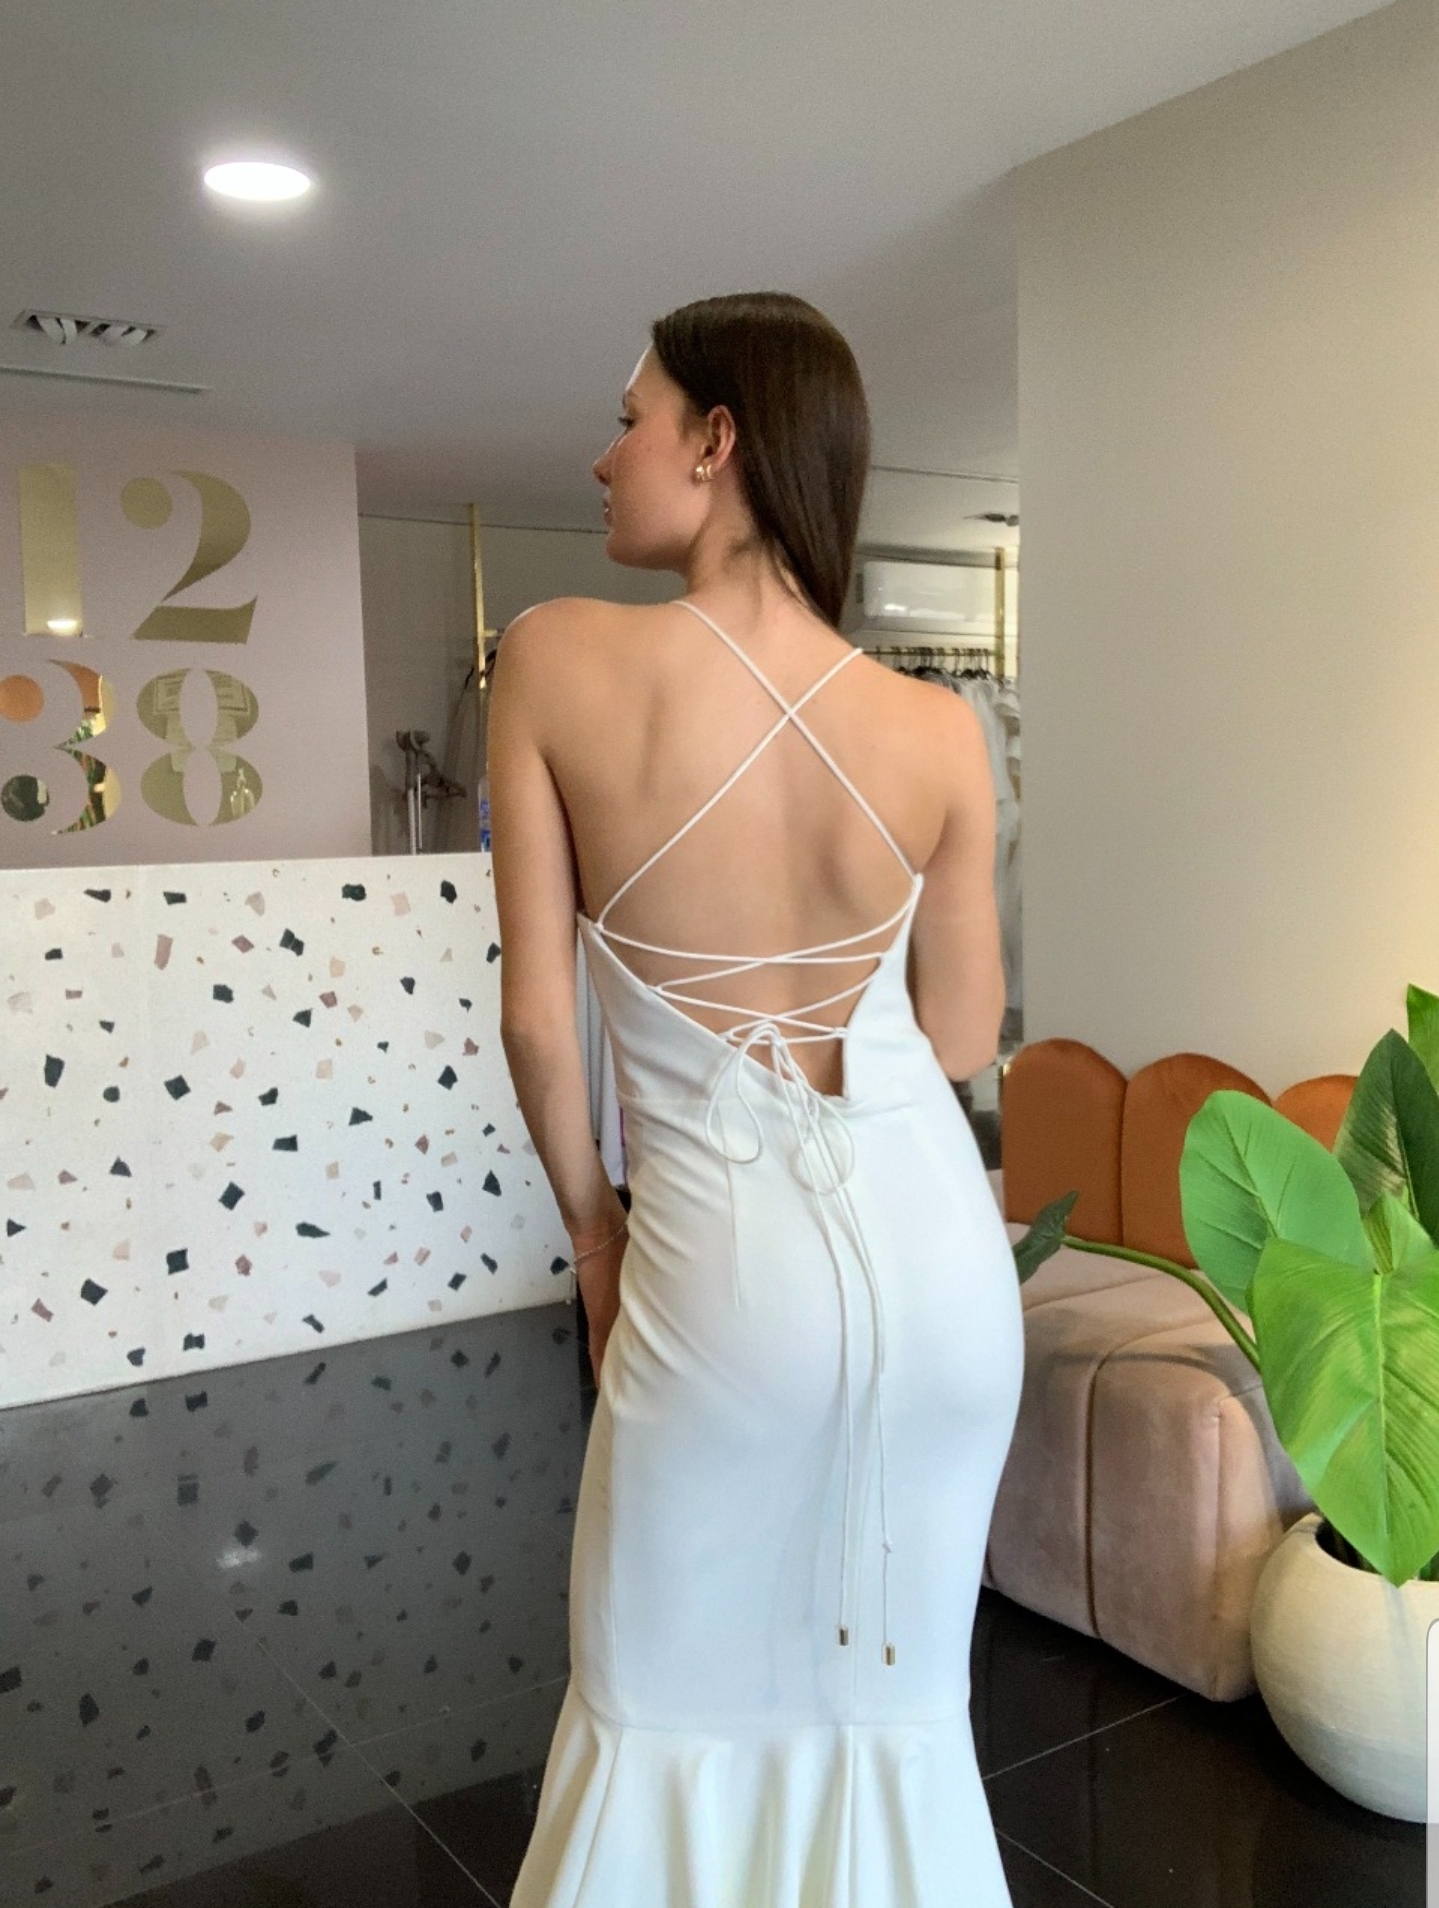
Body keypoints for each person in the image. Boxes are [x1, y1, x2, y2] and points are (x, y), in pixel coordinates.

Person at [488, 291, 1025, 1907]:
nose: (605, 457)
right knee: (894, 1716)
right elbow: (961, 1036)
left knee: (663, 1711)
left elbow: (538, 1025)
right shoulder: (939, 727)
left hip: (719, 1271)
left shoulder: (553, 656)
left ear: (718, 440)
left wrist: (596, 1243)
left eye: (632, 419)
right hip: (941, 1275)